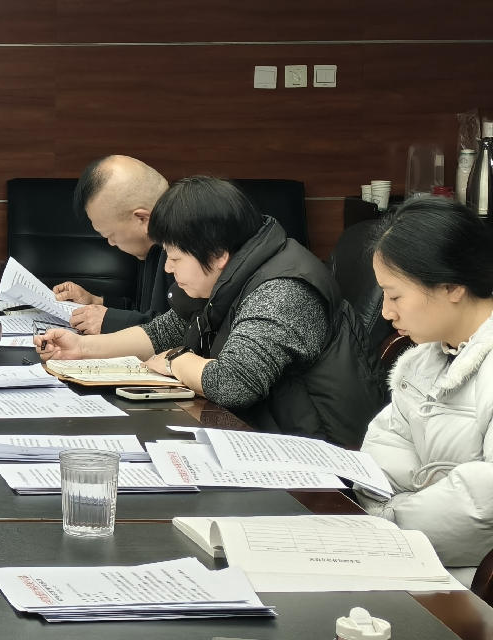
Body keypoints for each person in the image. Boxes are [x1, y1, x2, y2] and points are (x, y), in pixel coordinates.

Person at [35, 176, 381, 446]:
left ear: (216, 255)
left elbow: (233, 384)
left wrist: (176, 361)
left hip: (316, 459)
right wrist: (81, 348)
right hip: (259, 433)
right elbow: (165, 331)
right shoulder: (231, 273)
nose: (168, 268)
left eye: (175, 257)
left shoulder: (283, 290)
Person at [359, 198, 493, 576]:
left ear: (452, 286)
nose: (386, 312)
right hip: (413, 552)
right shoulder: (420, 362)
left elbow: (483, 502)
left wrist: (388, 523)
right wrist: (386, 519)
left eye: (395, 295)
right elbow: (384, 451)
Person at [50, 155, 196, 335]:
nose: (111, 243)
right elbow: (147, 313)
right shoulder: (152, 246)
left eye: (111, 235)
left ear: (142, 218)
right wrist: (97, 302)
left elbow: (183, 330)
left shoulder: (189, 245)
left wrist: (109, 321)